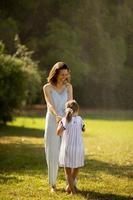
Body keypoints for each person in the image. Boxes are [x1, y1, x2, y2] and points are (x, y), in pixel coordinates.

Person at [43, 62, 73, 192]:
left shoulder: (68, 87)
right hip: (52, 120)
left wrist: (68, 116)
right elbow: (49, 105)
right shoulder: (47, 87)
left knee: (68, 151)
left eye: (66, 74)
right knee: (53, 151)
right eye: (62, 74)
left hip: (67, 120)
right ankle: (53, 184)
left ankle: (71, 184)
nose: (64, 77)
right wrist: (56, 116)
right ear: (55, 73)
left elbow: (71, 104)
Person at [57, 100, 85, 195]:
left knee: (68, 173)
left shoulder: (64, 120)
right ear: (77, 110)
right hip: (78, 148)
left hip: (68, 149)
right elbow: (83, 129)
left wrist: (60, 123)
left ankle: (72, 191)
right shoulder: (80, 119)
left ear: (66, 110)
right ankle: (70, 187)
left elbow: (58, 133)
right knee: (76, 169)